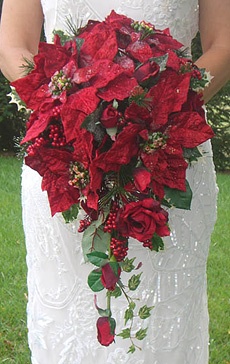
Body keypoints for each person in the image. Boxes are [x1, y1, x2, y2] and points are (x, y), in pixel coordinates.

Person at [0, 1, 229, 363]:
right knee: (67, 322)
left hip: (167, 155)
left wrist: (160, 111)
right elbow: (12, 45)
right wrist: (67, 114)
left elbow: (223, 44)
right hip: (66, 157)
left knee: (162, 325)